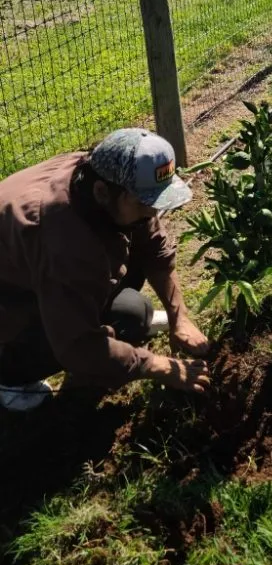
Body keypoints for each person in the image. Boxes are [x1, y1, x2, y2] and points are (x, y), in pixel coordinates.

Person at [0, 129, 211, 412]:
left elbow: (154, 247)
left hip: (36, 273)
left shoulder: (99, 177)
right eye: (144, 203)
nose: (152, 212)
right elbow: (77, 345)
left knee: (133, 313)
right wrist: (159, 366)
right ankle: (11, 376)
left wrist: (179, 317)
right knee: (114, 326)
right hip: (10, 302)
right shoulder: (63, 241)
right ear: (102, 193)